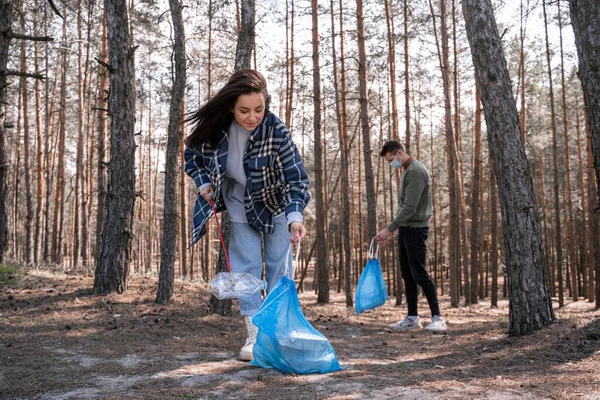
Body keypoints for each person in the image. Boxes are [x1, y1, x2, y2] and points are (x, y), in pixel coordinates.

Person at [184, 69, 310, 361]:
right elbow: (192, 155)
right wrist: (204, 183)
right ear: (231, 107)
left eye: (259, 109)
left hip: (277, 205)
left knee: (280, 267)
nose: (252, 117)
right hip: (239, 201)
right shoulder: (217, 129)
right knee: (247, 269)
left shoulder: (277, 131)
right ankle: (254, 337)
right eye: (244, 110)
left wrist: (295, 217)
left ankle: (279, 333)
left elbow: (296, 179)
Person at [374, 140, 447, 332]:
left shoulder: (415, 171)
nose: (392, 164)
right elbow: (406, 208)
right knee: (407, 274)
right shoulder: (407, 170)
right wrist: (397, 229)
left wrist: (389, 228)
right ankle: (412, 317)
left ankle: (438, 318)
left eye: (391, 160)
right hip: (406, 228)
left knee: (419, 273)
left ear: (399, 153)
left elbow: (410, 207)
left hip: (416, 230)